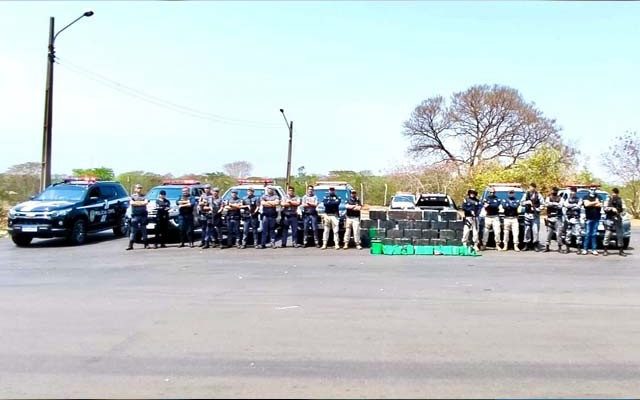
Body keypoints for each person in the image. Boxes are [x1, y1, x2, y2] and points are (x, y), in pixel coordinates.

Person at [520, 183, 545, 251]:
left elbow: (543, 204)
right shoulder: (526, 194)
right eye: (530, 187)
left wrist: (538, 209)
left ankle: (535, 244)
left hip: (535, 215)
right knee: (527, 230)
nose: (532, 188)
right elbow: (521, 203)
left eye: (533, 187)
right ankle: (527, 244)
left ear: (535, 188)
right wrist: (526, 202)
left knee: (535, 230)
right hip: (527, 214)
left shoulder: (538, 195)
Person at [603, 187, 627, 256]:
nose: (614, 194)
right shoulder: (608, 199)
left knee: (620, 235)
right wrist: (611, 209)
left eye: (615, 193)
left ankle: (621, 251)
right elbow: (605, 208)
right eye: (613, 193)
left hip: (618, 219)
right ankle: (605, 250)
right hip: (609, 219)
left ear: (617, 193)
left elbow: (624, 209)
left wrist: (620, 214)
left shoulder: (621, 200)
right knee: (607, 234)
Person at [126, 183, 149, 250]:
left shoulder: (144, 196)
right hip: (135, 216)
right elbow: (132, 203)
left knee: (144, 230)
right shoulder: (132, 196)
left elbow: (146, 202)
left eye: (140, 188)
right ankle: (130, 245)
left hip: (143, 215)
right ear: (135, 189)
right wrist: (141, 203)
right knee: (133, 231)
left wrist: (137, 203)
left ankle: (146, 244)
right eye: (138, 188)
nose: (139, 189)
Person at [561, 186, 583, 254]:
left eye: (574, 191)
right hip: (569, 219)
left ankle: (578, 249)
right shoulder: (567, 199)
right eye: (571, 191)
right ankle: (567, 248)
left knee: (578, 234)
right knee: (568, 234)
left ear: (576, 192)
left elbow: (578, 206)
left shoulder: (579, 199)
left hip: (576, 219)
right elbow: (566, 205)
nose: (572, 192)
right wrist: (574, 205)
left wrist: (572, 205)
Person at [581, 186, 602, 255]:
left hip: (597, 218)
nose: (593, 190)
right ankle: (585, 249)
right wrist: (595, 202)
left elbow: (601, 205)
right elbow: (586, 204)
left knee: (594, 234)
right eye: (591, 189)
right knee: (587, 234)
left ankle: (594, 249)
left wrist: (591, 203)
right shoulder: (585, 196)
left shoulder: (599, 196)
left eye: (594, 189)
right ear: (589, 190)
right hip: (588, 218)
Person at [544, 186, 563, 253]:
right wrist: (555, 204)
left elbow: (560, 206)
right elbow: (546, 204)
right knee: (549, 233)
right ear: (552, 190)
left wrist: (552, 204)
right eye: (553, 190)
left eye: (556, 190)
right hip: (550, 217)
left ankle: (559, 247)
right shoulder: (548, 197)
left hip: (558, 217)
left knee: (559, 233)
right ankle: (547, 247)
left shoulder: (560, 198)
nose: (554, 192)